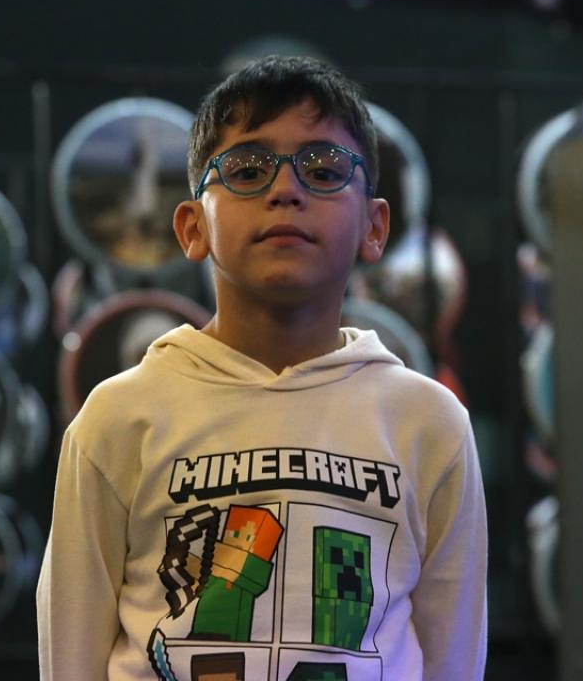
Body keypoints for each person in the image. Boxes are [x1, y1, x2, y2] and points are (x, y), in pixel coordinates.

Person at [37, 55, 488, 681]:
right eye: (248, 170)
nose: (286, 190)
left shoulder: (429, 421)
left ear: (375, 226)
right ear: (192, 227)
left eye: (323, 170)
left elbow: (453, 656)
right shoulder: (119, 416)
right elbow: (71, 655)